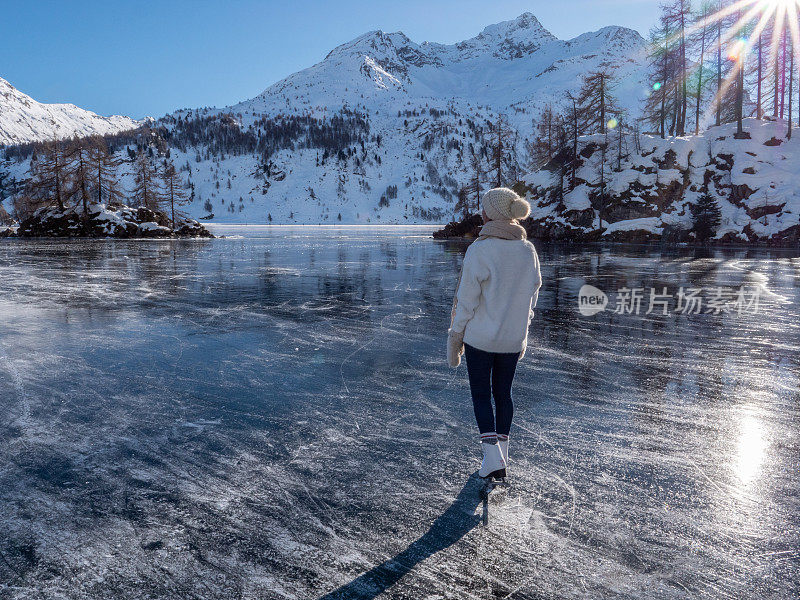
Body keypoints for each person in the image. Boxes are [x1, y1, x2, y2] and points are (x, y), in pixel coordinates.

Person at [447, 187, 542, 480]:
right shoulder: (527, 250)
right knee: (503, 395)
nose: (482, 212)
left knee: (481, 395)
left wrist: (456, 336)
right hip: (512, 340)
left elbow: (466, 300)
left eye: (485, 207)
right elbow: (532, 296)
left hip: (481, 339)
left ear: (493, 213)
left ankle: (492, 459)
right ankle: (502, 456)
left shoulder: (481, 249)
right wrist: (522, 331)